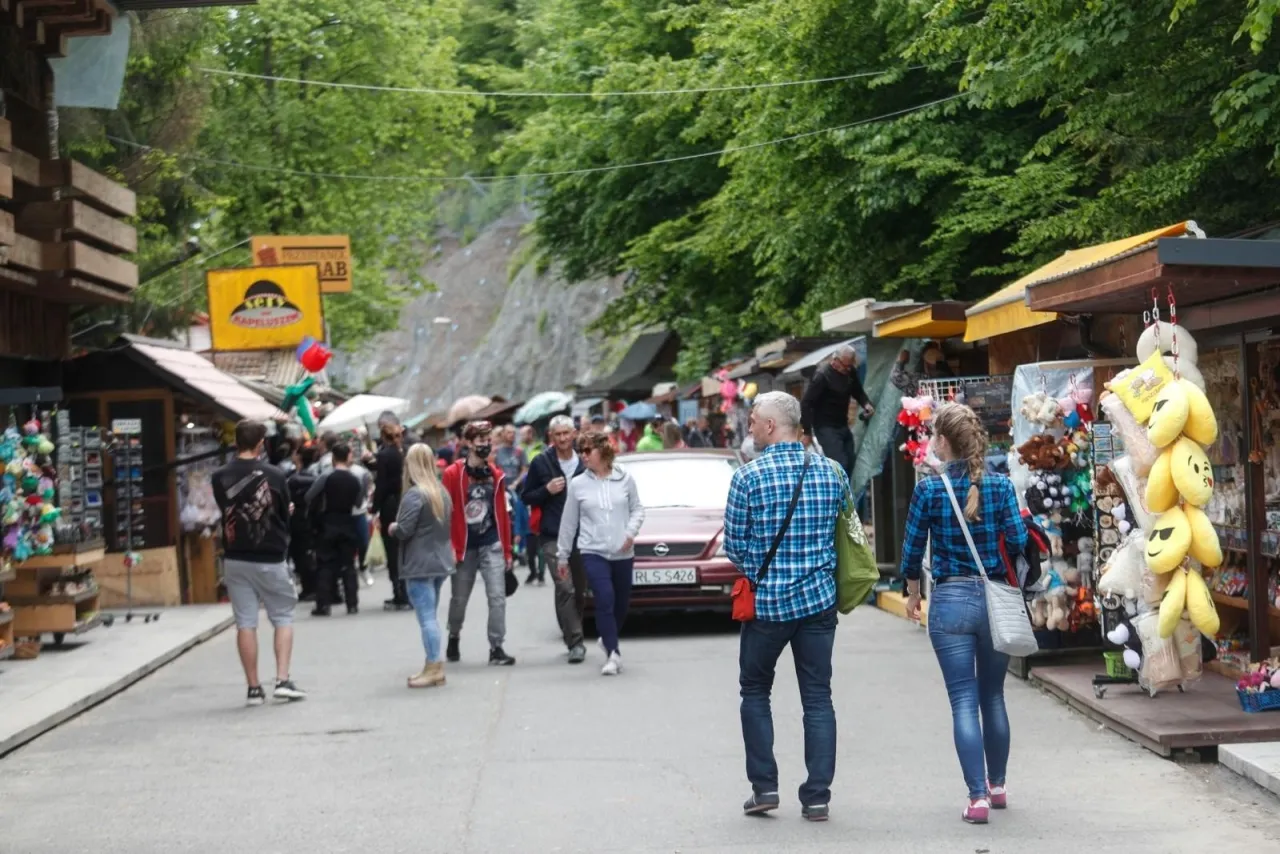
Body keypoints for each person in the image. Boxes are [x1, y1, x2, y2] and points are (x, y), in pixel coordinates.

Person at [900, 403, 1027, 825]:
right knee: (994, 696)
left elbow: (912, 548)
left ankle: (976, 799)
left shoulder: (929, 489)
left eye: (932, 436)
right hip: (996, 600)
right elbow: (1019, 538)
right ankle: (999, 785)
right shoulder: (1002, 486)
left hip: (951, 601)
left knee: (963, 701)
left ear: (942, 442)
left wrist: (913, 592)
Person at [723, 392, 847, 822]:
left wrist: (763, 569)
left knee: (755, 691)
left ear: (772, 426)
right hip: (818, 603)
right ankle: (817, 796)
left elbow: (735, 548)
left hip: (768, 608)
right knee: (818, 697)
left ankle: (765, 788)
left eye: (754, 421)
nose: (750, 427)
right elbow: (844, 535)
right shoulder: (832, 472)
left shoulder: (747, 478)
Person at [211, 420, 307, 706]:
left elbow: (226, 507)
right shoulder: (276, 475)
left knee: (245, 622)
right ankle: (282, 679)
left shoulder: (219, 476)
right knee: (282, 617)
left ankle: (253, 688)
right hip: (270, 554)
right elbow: (283, 514)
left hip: (236, 556)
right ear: (261, 443)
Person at [557, 431, 645, 676]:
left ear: (603, 452)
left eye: (588, 451)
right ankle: (613, 654)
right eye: (581, 451)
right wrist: (562, 555)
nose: (583, 456)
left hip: (622, 551)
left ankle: (608, 636)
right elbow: (569, 522)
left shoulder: (625, 479)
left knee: (621, 604)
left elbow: (638, 509)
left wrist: (630, 533)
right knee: (604, 598)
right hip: (592, 550)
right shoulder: (578, 484)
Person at [442, 421, 517, 666]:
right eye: (480, 440)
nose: (485, 444)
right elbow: (445, 513)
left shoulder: (495, 475)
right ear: (468, 443)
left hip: (490, 542)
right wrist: (449, 547)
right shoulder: (453, 474)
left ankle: (496, 647)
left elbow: (502, 516)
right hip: (464, 547)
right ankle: (454, 634)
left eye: (488, 440)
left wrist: (507, 550)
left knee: (497, 597)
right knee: (459, 599)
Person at [522, 415, 589, 663]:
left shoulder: (585, 460)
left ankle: (569, 627)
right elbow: (526, 496)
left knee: (579, 591)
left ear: (574, 434)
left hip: (582, 536)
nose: (562, 438)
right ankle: (576, 642)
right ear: (551, 437)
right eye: (557, 434)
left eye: (566, 433)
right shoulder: (541, 462)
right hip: (553, 536)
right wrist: (546, 491)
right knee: (565, 587)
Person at [390, 443, 455, 689]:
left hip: (419, 563)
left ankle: (433, 666)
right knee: (432, 616)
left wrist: (393, 527)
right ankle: (433, 665)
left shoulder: (415, 494)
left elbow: (404, 530)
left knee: (427, 618)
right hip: (439, 561)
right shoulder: (441, 492)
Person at [306, 442, 364, 616]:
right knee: (348, 566)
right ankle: (352, 603)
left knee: (325, 565)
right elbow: (359, 502)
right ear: (348, 457)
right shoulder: (355, 479)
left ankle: (323, 604)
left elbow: (309, 496)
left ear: (333, 457)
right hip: (347, 523)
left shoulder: (326, 477)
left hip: (328, 523)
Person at [800, 344, 874, 481]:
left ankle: (845, 495)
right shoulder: (822, 376)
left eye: (849, 366)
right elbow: (806, 403)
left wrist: (866, 404)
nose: (847, 369)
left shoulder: (850, 372)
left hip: (842, 424)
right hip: (825, 427)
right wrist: (807, 431)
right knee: (840, 464)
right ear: (836, 360)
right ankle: (837, 498)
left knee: (851, 462)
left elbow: (857, 390)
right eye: (845, 366)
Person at [375, 422, 410, 609]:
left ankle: (399, 591)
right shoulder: (403, 453)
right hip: (404, 501)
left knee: (392, 549)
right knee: (404, 547)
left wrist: (374, 508)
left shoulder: (384, 455)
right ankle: (407, 590)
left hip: (389, 505)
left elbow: (381, 484)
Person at [287, 445, 319, 601]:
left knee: (301, 556)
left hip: (298, 522)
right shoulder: (314, 477)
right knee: (306, 555)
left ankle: (310, 588)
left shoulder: (294, 479)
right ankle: (311, 587)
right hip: (309, 520)